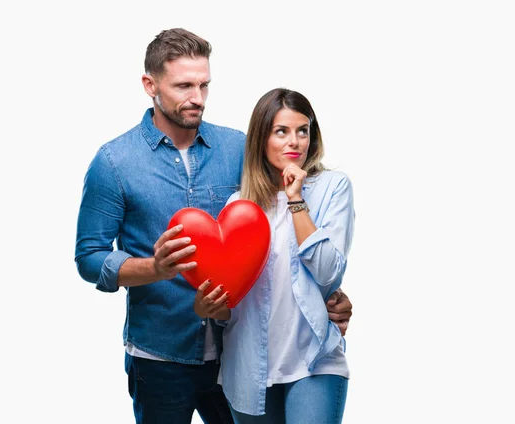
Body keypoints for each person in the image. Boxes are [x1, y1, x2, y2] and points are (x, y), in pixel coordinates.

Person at [75, 28, 353, 424]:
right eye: (184, 86)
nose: (197, 98)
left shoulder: (238, 148)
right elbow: (89, 257)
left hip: (238, 355)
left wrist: (328, 295)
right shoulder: (114, 162)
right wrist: (154, 268)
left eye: (204, 85)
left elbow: (278, 233)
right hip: (160, 354)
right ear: (149, 85)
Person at [194, 88, 355, 423]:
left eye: (302, 131)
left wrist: (296, 200)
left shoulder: (332, 188)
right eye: (281, 131)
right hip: (249, 366)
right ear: (261, 139)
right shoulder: (239, 207)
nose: (293, 142)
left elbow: (328, 273)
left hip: (314, 361)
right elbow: (233, 302)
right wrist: (209, 309)